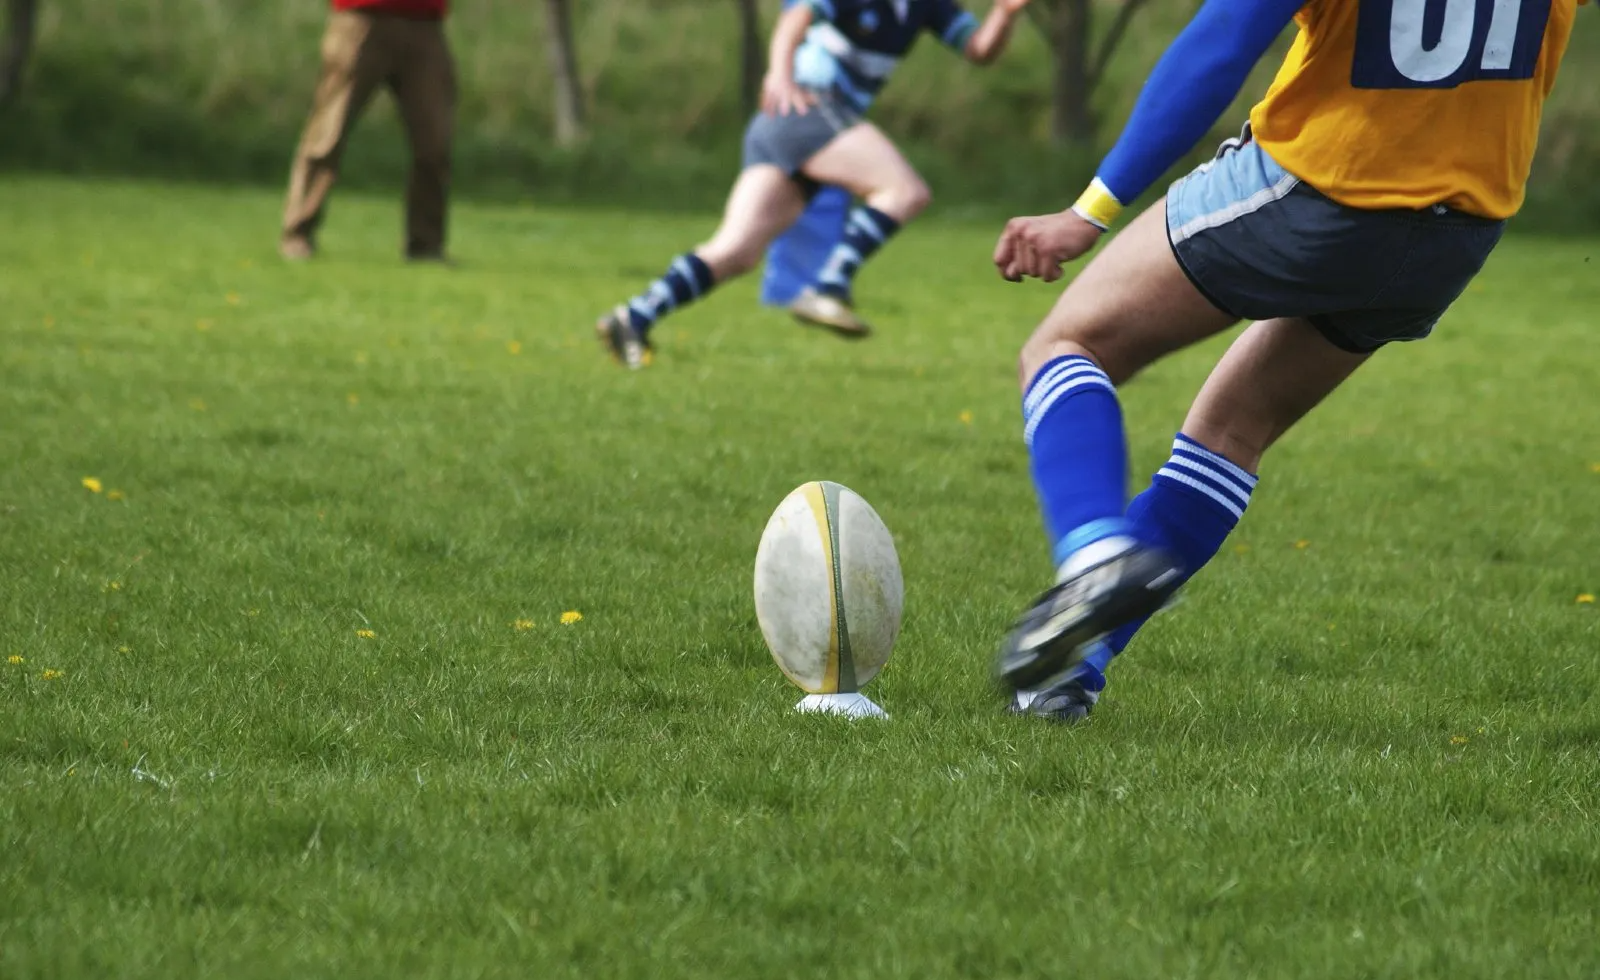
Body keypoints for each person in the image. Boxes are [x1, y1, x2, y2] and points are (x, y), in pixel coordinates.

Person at [989, 0, 1586, 721]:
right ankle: (1067, 675)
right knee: (1234, 429)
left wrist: (1089, 211)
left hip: (1323, 189)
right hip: (1455, 235)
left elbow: (1222, 41)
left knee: (1066, 344)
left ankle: (1092, 559)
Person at [594, 0, 1032, 370]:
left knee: (736, 251)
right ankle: (826, 287)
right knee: (904, 191)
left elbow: (978, 49)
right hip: (808, 105)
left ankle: (633, 317)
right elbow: (795, 17)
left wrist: (1005, 12)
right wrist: (779, 75)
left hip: (791, 121)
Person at [280, 0, 455, 262]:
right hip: (361, 18)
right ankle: (297, 232)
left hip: (425, 23)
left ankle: (426, 245)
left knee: (435, 143)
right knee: (328, 134)